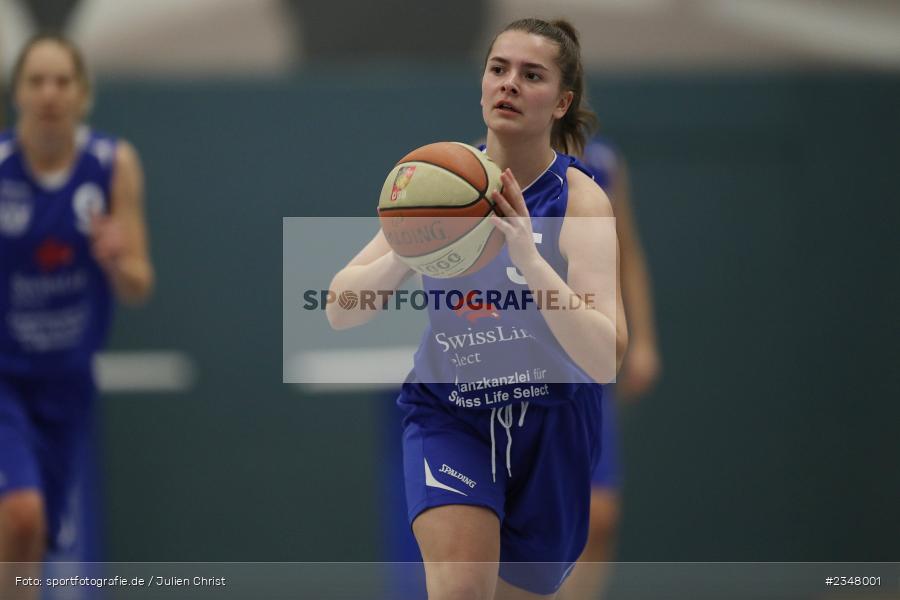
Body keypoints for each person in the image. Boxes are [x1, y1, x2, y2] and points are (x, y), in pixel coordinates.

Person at [328, 18, 627, 599]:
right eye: (498, 69)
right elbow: (341, 306)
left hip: (551, 427)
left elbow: (605, 353)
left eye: (531, 74)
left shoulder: (581, 199)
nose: (509, 83)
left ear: (562, 102)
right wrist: (412, 249)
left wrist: (530, 258)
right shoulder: (438, 178)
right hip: (453, 414)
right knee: (462, 589)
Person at [0, 33, 153, 595]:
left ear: (82, 94)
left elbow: (140, 284)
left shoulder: (112, 163)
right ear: (17, 91)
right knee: (20, 514)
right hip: (4, 377)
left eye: (61, 81)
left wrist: (116, 259)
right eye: (36, 80)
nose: (48, 93)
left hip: (66, 381)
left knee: (34, 542)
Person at [557, 137, 662, 600]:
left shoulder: (602, 163)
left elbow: (627, 253)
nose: (515, 85)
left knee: (599, 515)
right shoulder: (483, 163)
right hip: (522, 361)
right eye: (501, 71)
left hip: (587, 356)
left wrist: (643, 341)